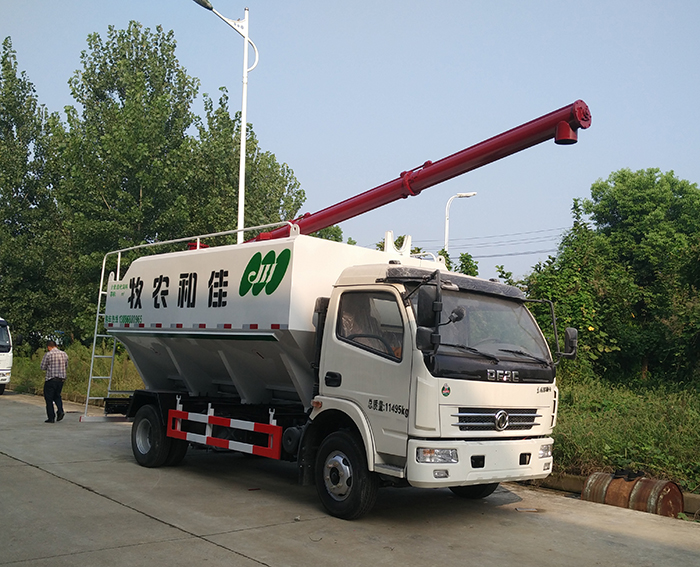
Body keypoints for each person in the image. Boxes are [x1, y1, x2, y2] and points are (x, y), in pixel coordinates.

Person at [40, 340, 68, 423]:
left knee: (49, 398)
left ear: (49, 347)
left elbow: (43, 367)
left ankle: (51, 417)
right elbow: (66, 365)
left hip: (51, 379)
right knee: (57, 396)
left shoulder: (48, 354)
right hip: (61, 379)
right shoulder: (64, 354)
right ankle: (60, 410)